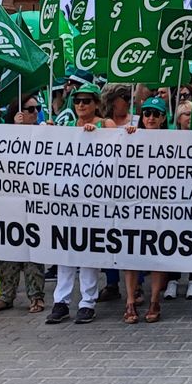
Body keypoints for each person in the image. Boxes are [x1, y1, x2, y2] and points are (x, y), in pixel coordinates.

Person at [47, 85, 110, 325]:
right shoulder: (68, 128)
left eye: (86, 101)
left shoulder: (105, 125)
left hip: (94, 197)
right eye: (77, 101)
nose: (81, 105)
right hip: (68, 197)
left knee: (88, 249)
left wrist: (98, 135)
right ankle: (61, 301)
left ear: (95, 103)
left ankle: (87, 301)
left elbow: (119, 145)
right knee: (65, 249)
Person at [0, 95, 48, 315]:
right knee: (7, 251)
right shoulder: (5, 133)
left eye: (37, 109)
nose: (34, 113)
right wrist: (15, 129)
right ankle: (6, 295)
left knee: (33, 252)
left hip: (34, 202)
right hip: (8, 202)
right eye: (30, 109)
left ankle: (36, 297)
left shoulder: (44, 131)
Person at [122, 98, 172, 323]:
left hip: (160, 205)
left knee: (157, 254)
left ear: (163, 118)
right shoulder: (131, 136)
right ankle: (130, 302)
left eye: (155, 113)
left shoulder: (173, 140)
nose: (150, 117)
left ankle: (154, 301)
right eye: (147, 113)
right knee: (131, 254)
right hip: (133, 205)